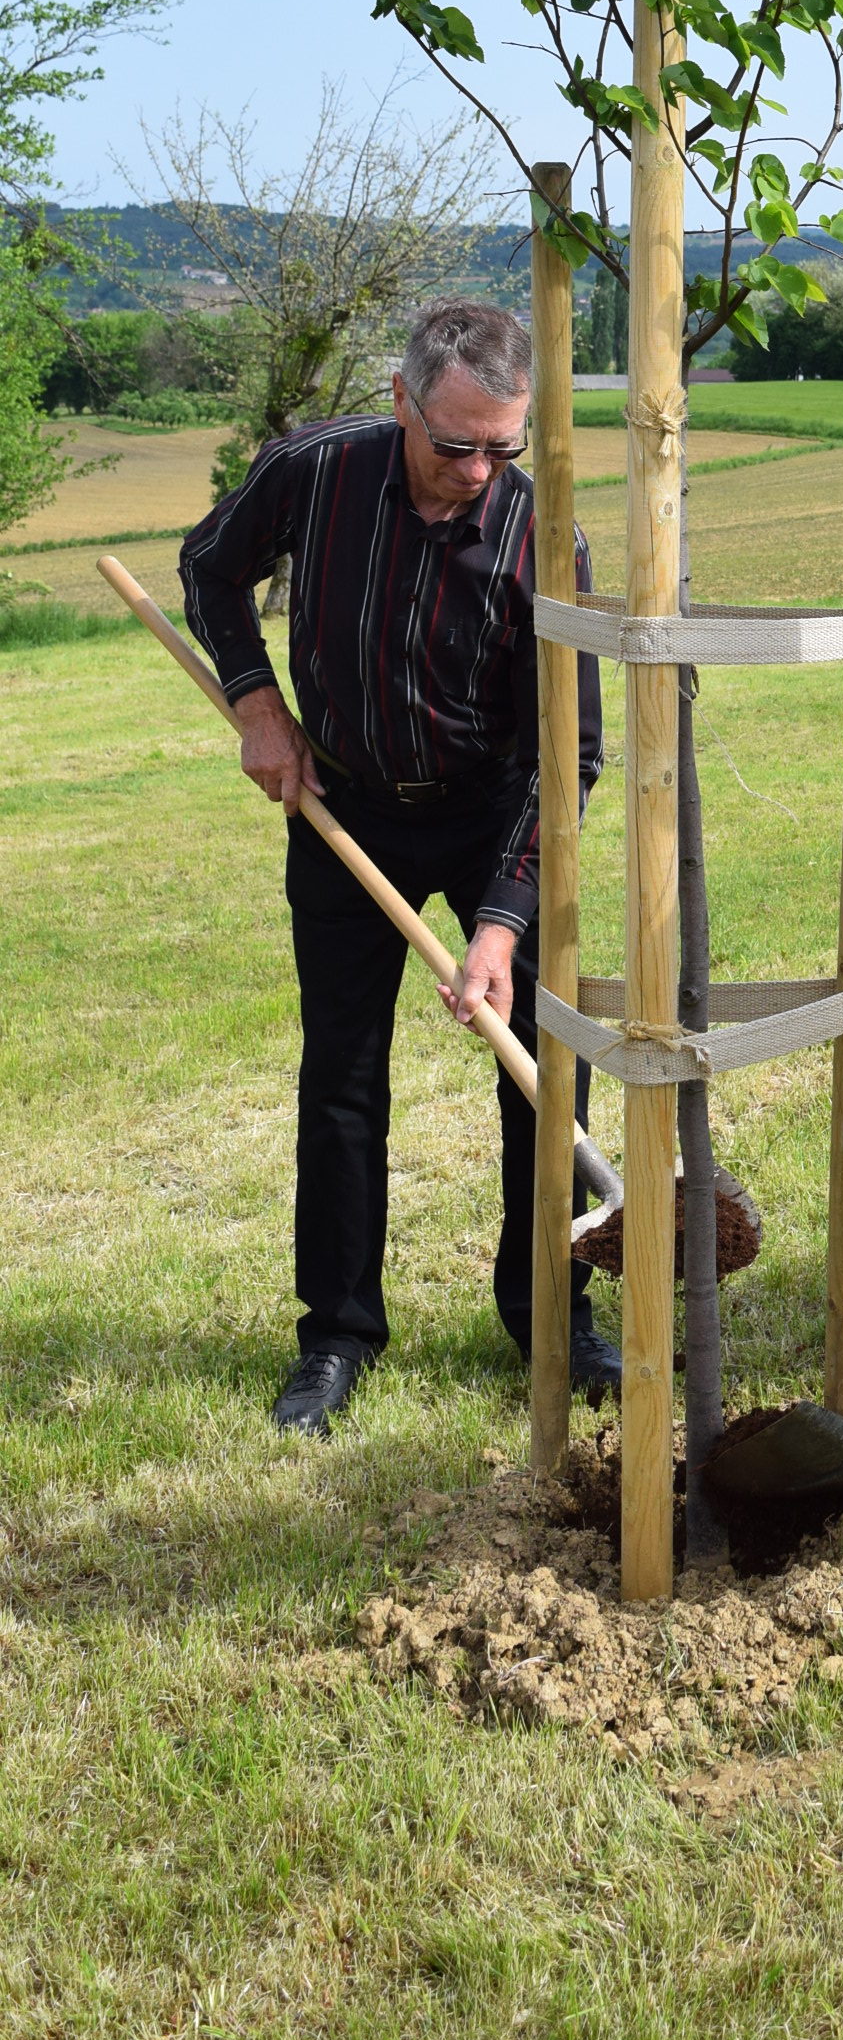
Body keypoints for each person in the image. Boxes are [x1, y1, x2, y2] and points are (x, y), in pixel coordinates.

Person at [180, 298, 612, 1438]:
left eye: (500, 447)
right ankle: (335, 1336)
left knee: (543, 1071)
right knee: (342, 1081)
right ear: (400, 404)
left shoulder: (538, 530)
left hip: (488, 813)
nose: (476, 470)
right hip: (346, 805)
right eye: (453, 443)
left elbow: (563, 754)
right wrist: (254, 701)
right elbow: (209, 569)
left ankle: (550, 1318)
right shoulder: (312, 473)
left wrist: (505, 923)